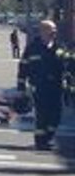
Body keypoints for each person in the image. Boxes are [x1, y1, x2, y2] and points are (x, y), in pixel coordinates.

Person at [19, 20, 67, 151]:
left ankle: (49, 136)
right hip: (39, 86)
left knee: (56, 114)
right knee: (42, 114)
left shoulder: (59, 47)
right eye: (51, 30)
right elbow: (23, 66)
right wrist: (21, 86)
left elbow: (66, 66)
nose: (54, 32)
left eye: (55, 30)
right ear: (42, 31)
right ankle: (41, 141)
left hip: (56, 86)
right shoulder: (33, 47)